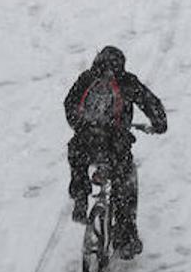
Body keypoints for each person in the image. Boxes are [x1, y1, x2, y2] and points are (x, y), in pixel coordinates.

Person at [64, 45, 167, 257]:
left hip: (85, 143)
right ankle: (124, 238)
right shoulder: (126, 82)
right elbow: (150, 102)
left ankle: (81, 198)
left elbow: (69, 103)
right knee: (125, 183)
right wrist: (159, 124)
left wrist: (82, 127)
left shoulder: (87, 79)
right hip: (114, 147)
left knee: (78, 161)